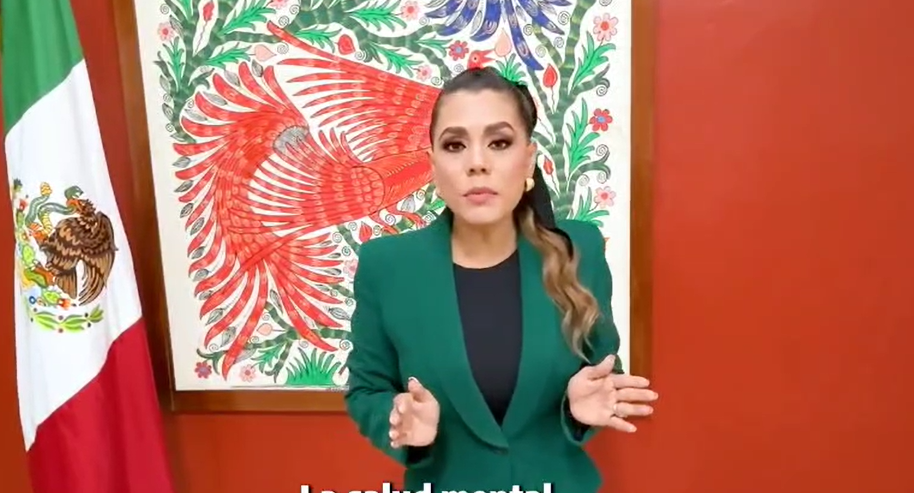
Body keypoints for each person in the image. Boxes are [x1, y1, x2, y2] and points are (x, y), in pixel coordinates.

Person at [344, 67, 658, 493]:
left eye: (499, 142)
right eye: (455, 145)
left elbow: (604, 369)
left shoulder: (579, 248)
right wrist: (399, 420)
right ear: (433, 165)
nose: (477, 163)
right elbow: (367, 390)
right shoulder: (386, 265)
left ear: (528, 158)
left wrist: (577, 409)